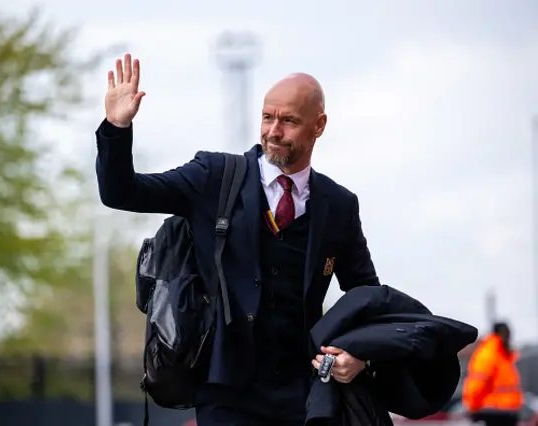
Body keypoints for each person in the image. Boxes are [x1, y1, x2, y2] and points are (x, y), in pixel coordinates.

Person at [96, 53, 381, 426]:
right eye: (267, 117)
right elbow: (123, 192)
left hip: (305, 394)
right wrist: (116, 128)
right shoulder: (214, 176)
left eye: (289, 121)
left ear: (319, 125)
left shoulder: (339, 205)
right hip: (226, 393)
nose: (273, 131)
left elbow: (366, 294)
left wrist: (357, 354)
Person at [462, 322, 523, 426]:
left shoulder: (502, 355)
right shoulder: (489, 354)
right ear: (501, 333)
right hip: (492, 412)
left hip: (505, 412)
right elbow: (477, 383)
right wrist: (472, 406)